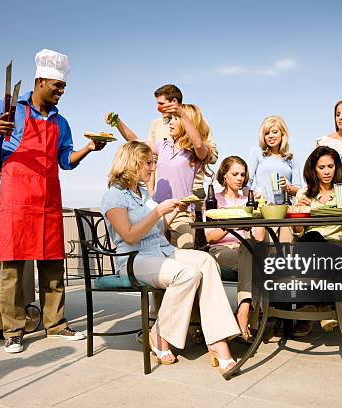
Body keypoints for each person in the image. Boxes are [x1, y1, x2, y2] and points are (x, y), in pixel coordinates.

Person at [0, 49, 105, 353]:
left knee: (52, 266)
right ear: (40, 81)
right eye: (57, 86)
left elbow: (66, 162)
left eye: (63, 87)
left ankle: (56, 324)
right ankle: (13, 331)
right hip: (16, 198)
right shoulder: (10, 109)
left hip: (48, 199)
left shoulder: (62, 123)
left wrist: (88, 148)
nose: (61, 92)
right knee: (12, 269)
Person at [99, 141, 240, 374]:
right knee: (187, 274)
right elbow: (130, 236)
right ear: (132, 164)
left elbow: (156, 229)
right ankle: (158, 332)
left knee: (206, 261)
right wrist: (157, 211)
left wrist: (174, 211)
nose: (153, 167)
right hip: (134, 259)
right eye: (148, 163)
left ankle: (217, 339)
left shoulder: (142, 193)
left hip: (161, 251)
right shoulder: (113, 197)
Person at [110, 103, 213, 249]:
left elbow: (197, 144)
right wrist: (117, 122)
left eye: (175, 119)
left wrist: (181, 113)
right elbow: (135, 141)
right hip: (156, 212)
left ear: (186, 122)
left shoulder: (196, 152)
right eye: (170, 119)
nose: (170, 122)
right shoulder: (164, 146)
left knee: (185, 254)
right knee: (159, 257)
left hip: (181, 214)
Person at [205, 156, 266, 341]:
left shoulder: (249, 200)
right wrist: (231, 225)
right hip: (220, 251)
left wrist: (259, 212)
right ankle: (246, 318)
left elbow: (260, 237)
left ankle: (242, 314)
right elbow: (209, 237)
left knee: (250, 248)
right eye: (235, 174)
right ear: (224, 175)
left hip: (246, 250)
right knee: (256, 261)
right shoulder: (213, 200)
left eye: (242, 174)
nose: (240, 178)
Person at [291, 146, 342, 335]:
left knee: (314, 245)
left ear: (336, 167)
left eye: (330, 166)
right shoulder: (303, 194)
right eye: (321, 167)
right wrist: (299, 212)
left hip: (337, 245)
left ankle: (308, 307)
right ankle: (324, 306)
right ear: (313, 169)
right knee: (311, 238)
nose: (326, 172)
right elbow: (297, 231)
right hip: (309, 245)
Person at [147, 84, 218, 199]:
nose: (158, 108)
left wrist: (193, 150)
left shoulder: (196, 120)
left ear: (174, 101)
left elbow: (210, 155)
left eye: (161, 104)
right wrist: (150, 191)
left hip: (192, 192)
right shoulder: (158, 128)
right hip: (163, 197)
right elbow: (144, 149)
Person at [247, 115, 301, 204]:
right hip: (263, 206)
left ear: (282, 134)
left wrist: (287, 187)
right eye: (267, 133)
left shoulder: (291, 157)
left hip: (286, 206)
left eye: (274, 132)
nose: (270, 136)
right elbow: (247, 182)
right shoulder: (257, 152)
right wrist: (251, 196)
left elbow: (298, 190)